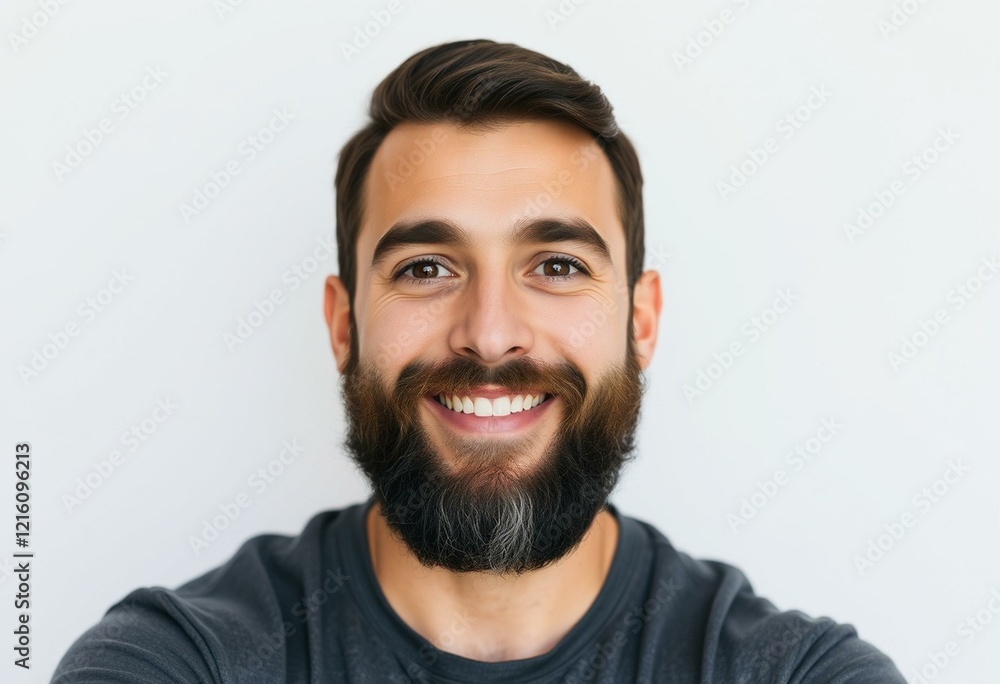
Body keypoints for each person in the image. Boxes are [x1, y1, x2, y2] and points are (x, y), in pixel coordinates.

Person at [53, 39, 905, 683]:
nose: (491, 335)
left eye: (558, 266)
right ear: (342, 323)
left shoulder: (797, 674)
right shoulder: (175, 661)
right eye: (427, 268)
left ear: (640, 320)